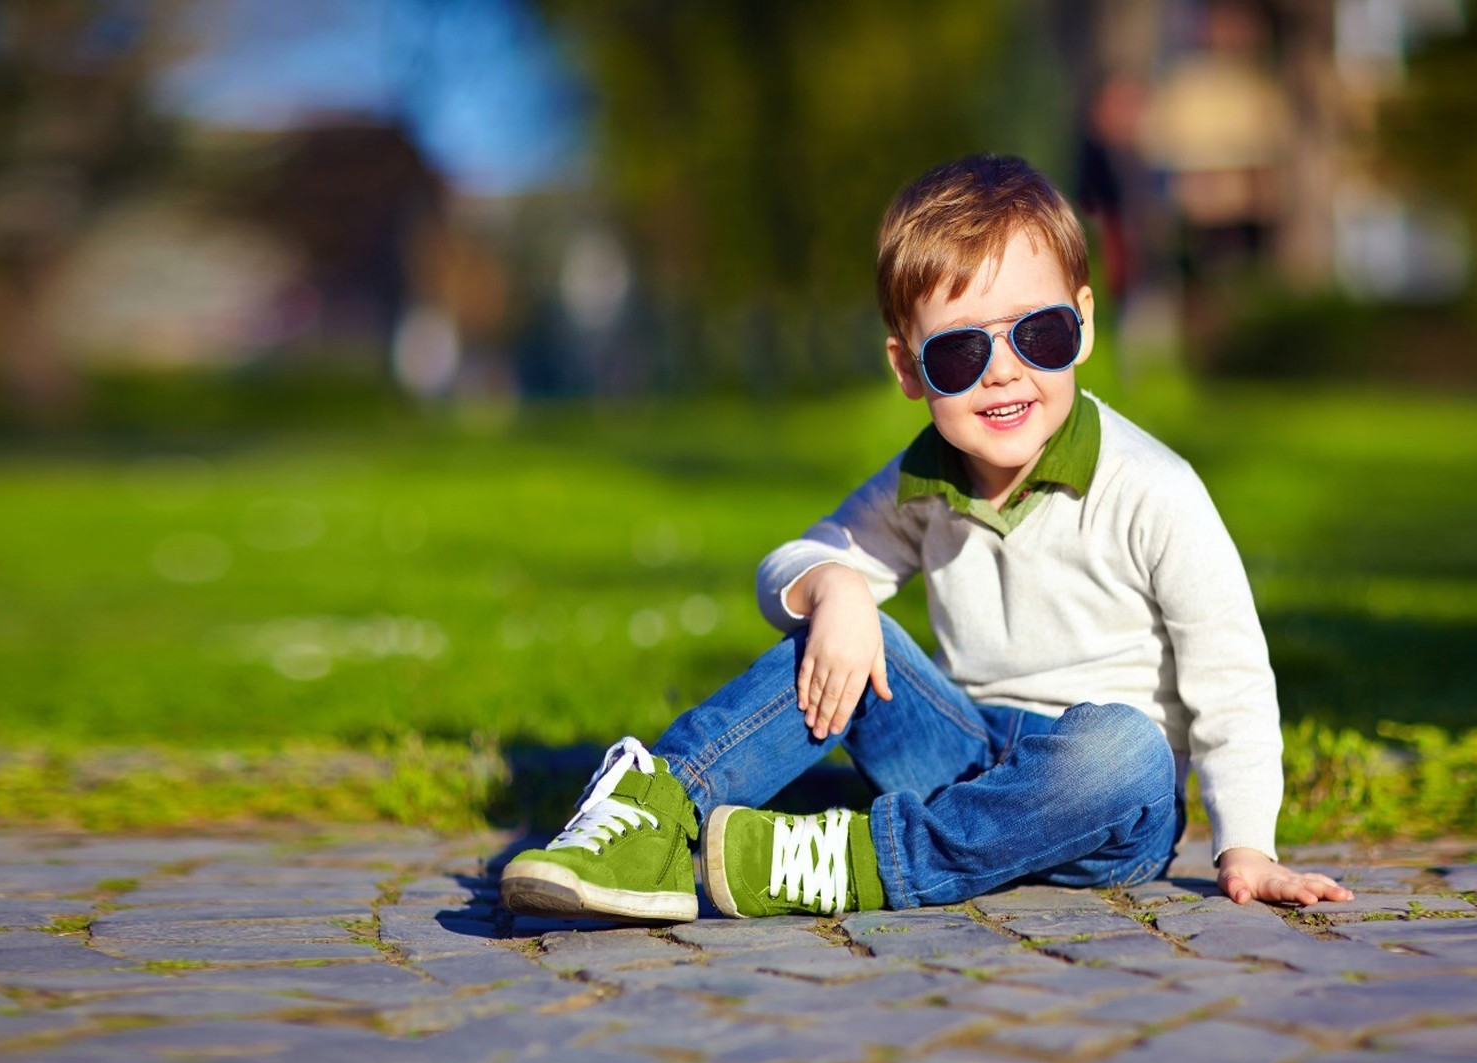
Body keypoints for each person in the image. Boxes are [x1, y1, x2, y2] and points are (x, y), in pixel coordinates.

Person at [501, 154, 1352, 922]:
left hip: (1101, 807)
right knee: (834, 637)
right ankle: (653, 817)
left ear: (1084, 326)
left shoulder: (1153, 489)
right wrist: (836, 590)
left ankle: (857, 861)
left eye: (1039, 333)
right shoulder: (926, 481)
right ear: (910, 371)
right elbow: (792, 564)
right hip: (963, 755)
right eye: (957, 355)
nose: (1005, 370)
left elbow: (1230, 673)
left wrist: (1247, 848)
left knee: (1125, 751)